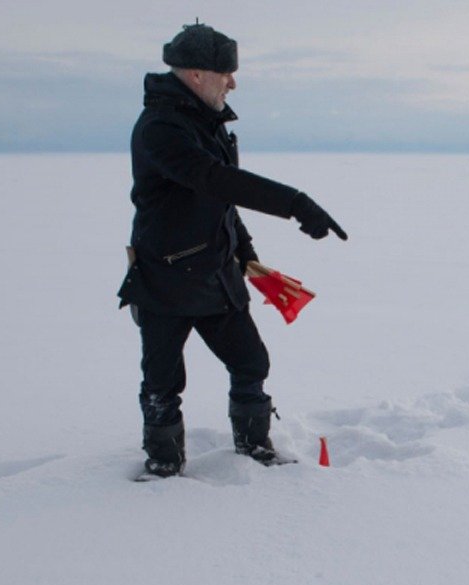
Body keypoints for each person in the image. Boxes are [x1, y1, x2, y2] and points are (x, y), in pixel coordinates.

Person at [118, 21, 347, 477]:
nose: (234, 82)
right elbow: (213, 179)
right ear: (197, 74)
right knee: (163, 382)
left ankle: (254, 445)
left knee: (251, 361)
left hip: (216, 273)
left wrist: (246, 256)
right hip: (164, 278)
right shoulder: (160, 129)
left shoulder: (210, 124)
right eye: (226, 73)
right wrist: (295, 203)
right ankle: (163, 463)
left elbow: (220, 201)